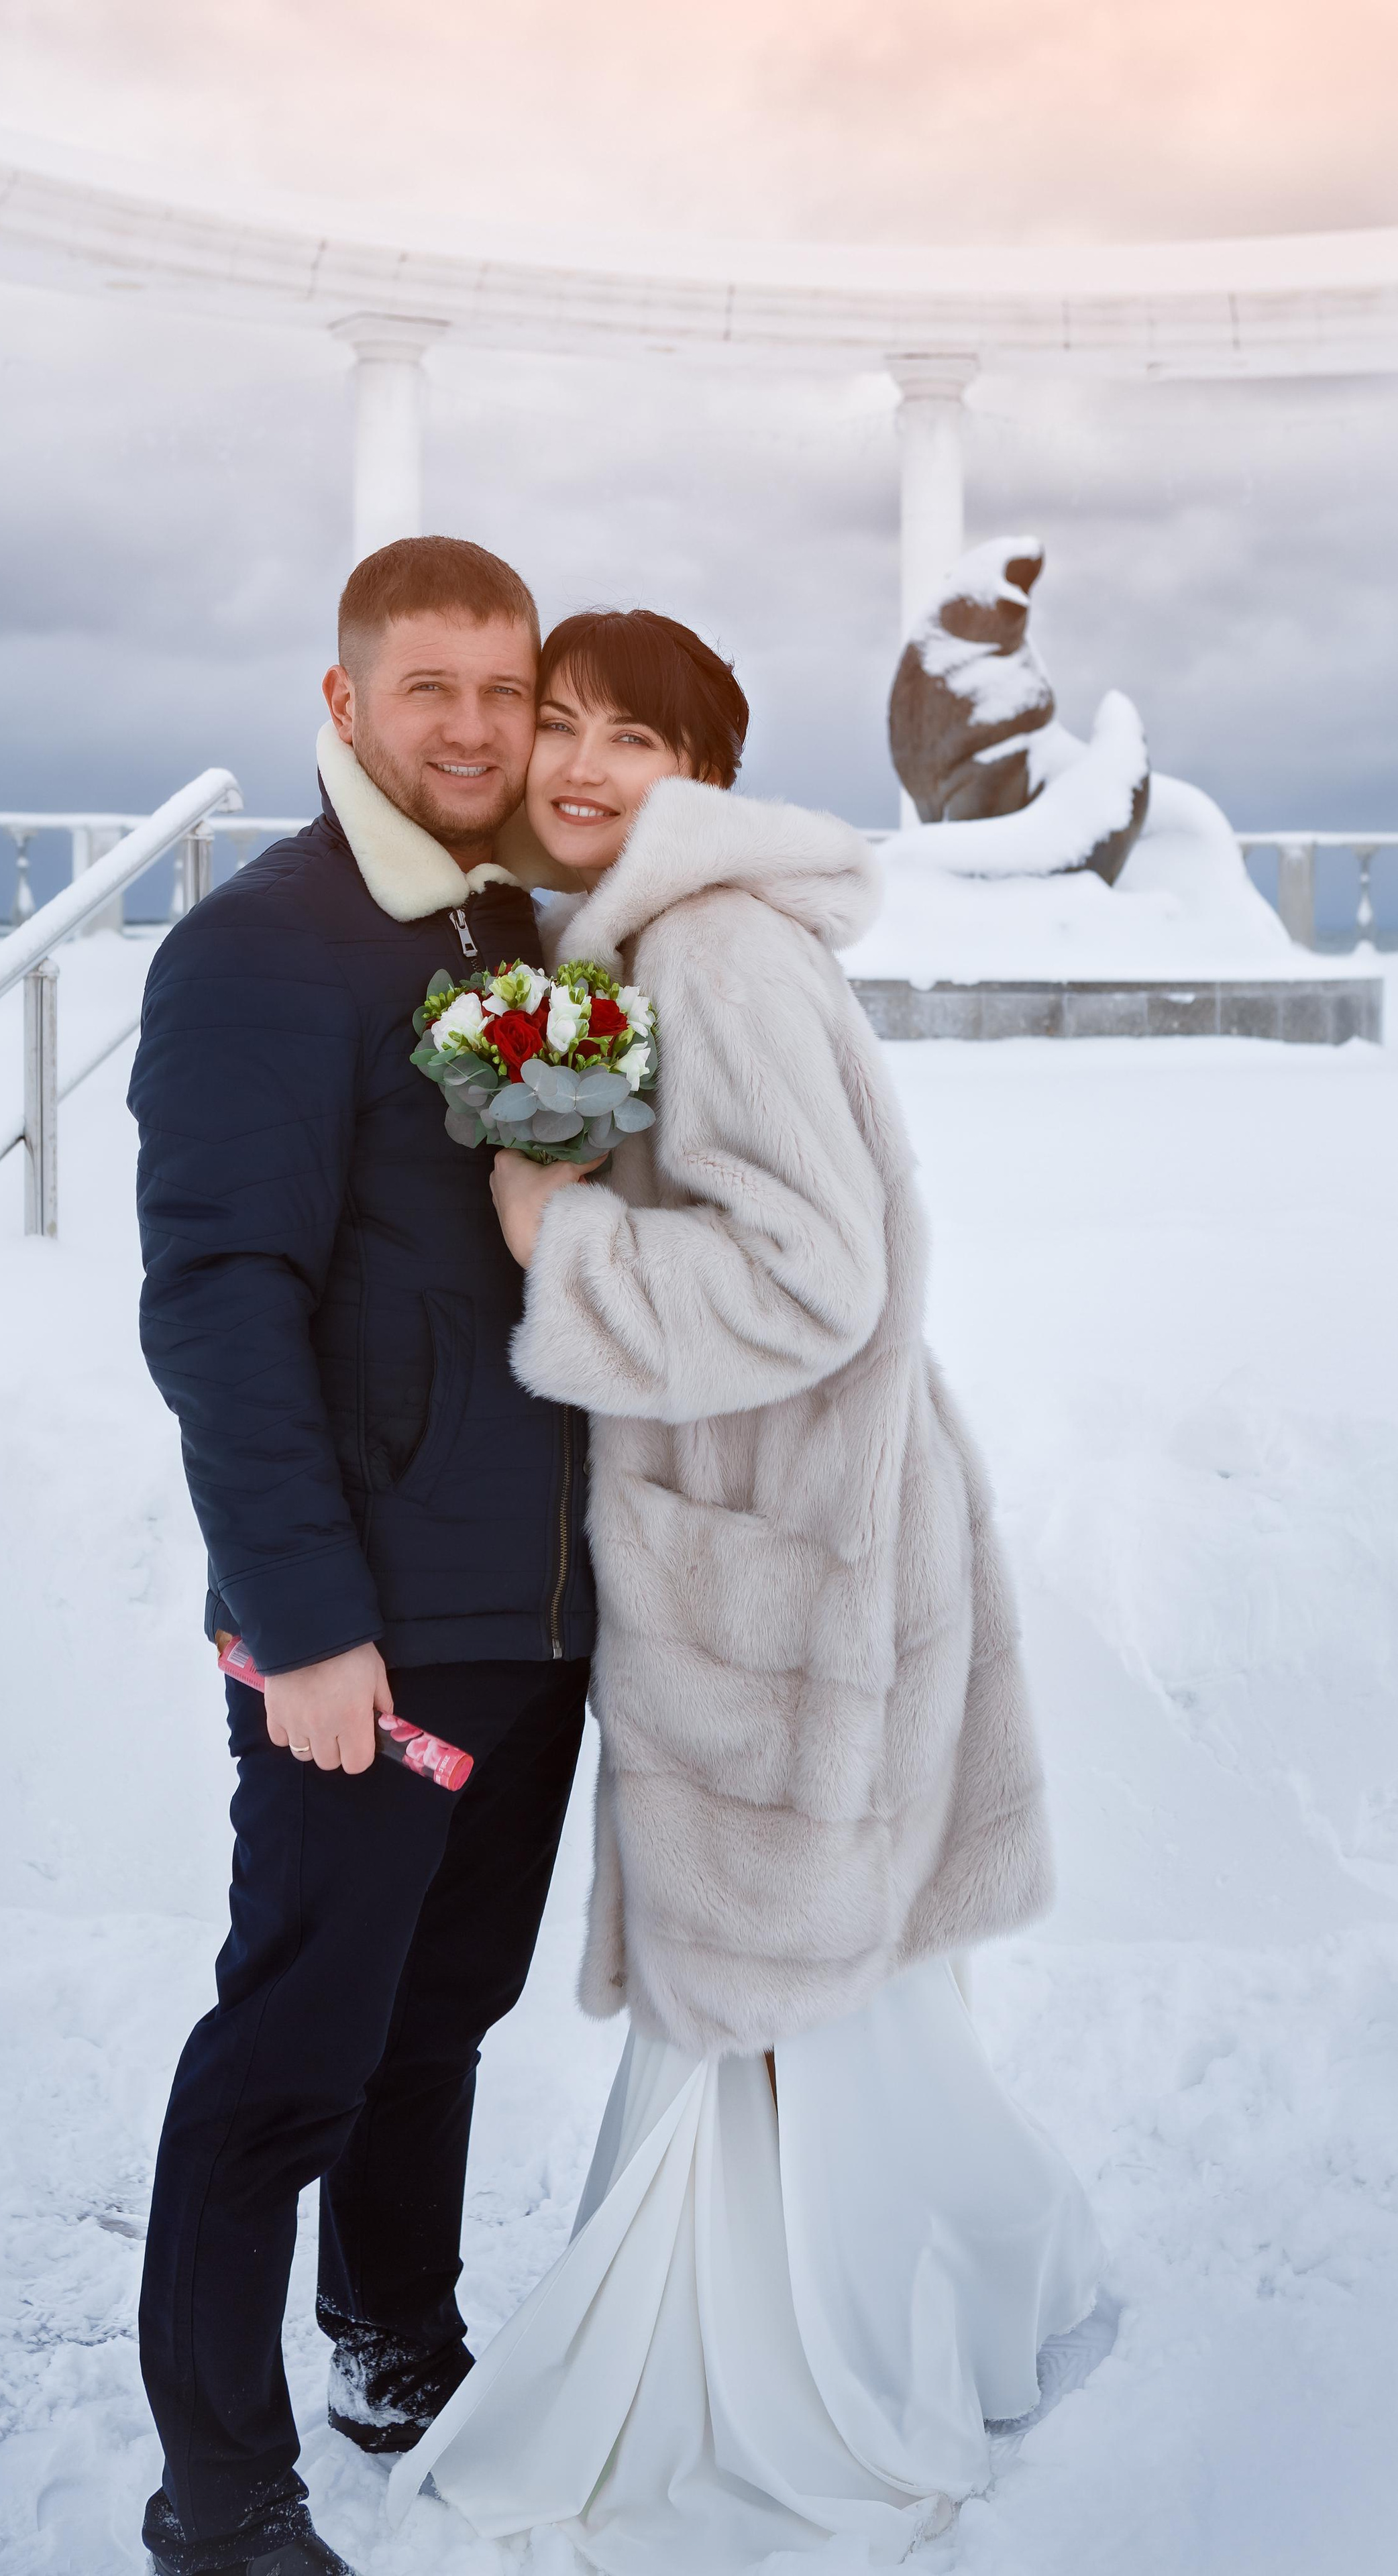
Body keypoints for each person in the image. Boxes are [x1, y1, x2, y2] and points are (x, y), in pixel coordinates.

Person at [389, 609, 1106, 2571]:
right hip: (786, 1541)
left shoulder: (707, 947)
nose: (585, 766)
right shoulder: (636, 945)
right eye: (561, 725)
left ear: (706, 771)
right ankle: (913, 2303)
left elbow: (815, 1278)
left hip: (792, 1558)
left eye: (641, 737)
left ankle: (786, 2375)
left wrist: (565, 1245)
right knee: (820, 2008)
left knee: (770, 1999)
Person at [127, 537, 595, 2576]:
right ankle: (216, 2486)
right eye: (432, 690)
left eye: (506, 690)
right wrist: (308, 1626)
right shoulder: (265, 952)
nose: (477, 728)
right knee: (294, 2046)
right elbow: (217, 1304)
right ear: (345, 706)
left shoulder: (528, 932)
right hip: (367, 1638)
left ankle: (396, 2339)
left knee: (444, 2008)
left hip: (531, 1608)